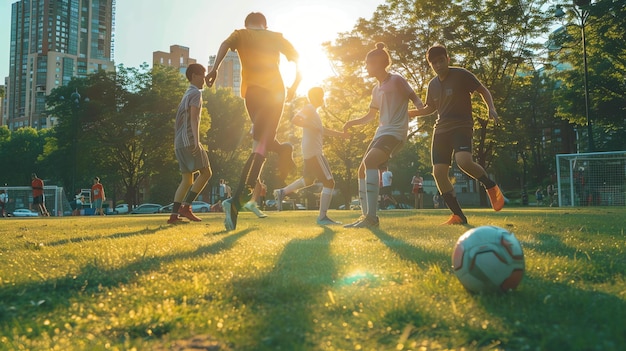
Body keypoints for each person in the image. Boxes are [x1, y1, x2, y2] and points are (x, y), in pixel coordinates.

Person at [206, 12, 301, 231]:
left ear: (247, 24)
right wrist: (295, 84)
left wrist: (214, 69)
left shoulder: (241, 34)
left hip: (252, 95)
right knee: (262, 142)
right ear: (264, 24)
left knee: (261, 142)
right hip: (275, 93)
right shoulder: (275, 36)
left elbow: (223, 44)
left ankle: (237, 199)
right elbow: (298, 60)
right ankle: (237, 199)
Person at [410, 44, 504, 225]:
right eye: (434, 63)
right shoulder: (433, 84)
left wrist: (490, 108)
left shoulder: (461, 75)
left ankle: (490, 186)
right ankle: (458, 215)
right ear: (431, 65)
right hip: (441, 130)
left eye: (441, 60)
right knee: (438, 173)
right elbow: (430, 108)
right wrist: (409, 113)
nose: (438, 65)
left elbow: (482, 90)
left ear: (448, 59)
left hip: (462, 126)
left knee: (464, 161)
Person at [342, 42, 423, 228]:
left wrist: (421, 107)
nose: (365, 67)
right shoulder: (376, 89)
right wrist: (351, 123)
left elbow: (413, 97)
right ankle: (365, 217)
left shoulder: (396, 80)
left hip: (395, 132)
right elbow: (371, 116)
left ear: (378, 63)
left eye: (368, 63)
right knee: (361, 170)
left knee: (370, 163)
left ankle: (372, 218)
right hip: (381, 132)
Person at [273, 87, 348, 225]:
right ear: (315, 97)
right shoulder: (309, 108)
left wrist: (341, 135)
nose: (323, 98)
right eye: (321, 95)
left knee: (308, 180)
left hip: (310, 150)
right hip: (314, 151)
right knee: (329, 182)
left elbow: (322, 130)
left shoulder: (314, 112)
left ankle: (282, 192)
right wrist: (310, 126)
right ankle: (322, 217)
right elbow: (295, 119)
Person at [168, 63, 213, 224]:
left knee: (187, 180)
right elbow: (194, 119)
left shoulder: (187, 93)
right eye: (202, 75)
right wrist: (197, 140)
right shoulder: (195, 93)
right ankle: (186, 207)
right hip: (189, 140)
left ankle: (174, 216)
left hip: (179, 143)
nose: (204, 78)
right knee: (207, 173)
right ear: (194, 75)